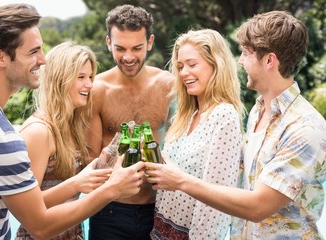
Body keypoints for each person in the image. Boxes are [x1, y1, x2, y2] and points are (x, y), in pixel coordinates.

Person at [0, 4, 145, 240]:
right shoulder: (4, 139)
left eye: (90, 77)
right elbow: (38, 224)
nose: (43, 60)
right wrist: (111, 189)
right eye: (33, 52)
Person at [145, 10, 326, 239]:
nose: (239, 61)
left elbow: (257, 206)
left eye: (246, 54)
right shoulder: (258, 113)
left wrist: (180, 181)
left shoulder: (305, 128)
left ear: (269, 60)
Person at [144, 29, 245, 239]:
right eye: (180, 67)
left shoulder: (224, 116)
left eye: (192, 64)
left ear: (216, 64)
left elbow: (216, 202)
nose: (183, 73)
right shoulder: (187, 114)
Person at [86, 4, 174, 240]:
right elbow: (90, 161)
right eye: (120, 48)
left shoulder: (169, 85)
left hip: (159, 210)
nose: (128, 57)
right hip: (109, 210)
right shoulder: (97, 90)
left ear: (150, 42)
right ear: (108, 43)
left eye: (137, 48)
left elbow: (181, 147)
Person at [15, 42, 111, 239]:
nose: (90, 84)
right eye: (81, 77)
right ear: (60, 79)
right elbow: (24, 209)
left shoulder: (71, 126)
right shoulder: (39, 131)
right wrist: (76, 184)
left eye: (91, 77)